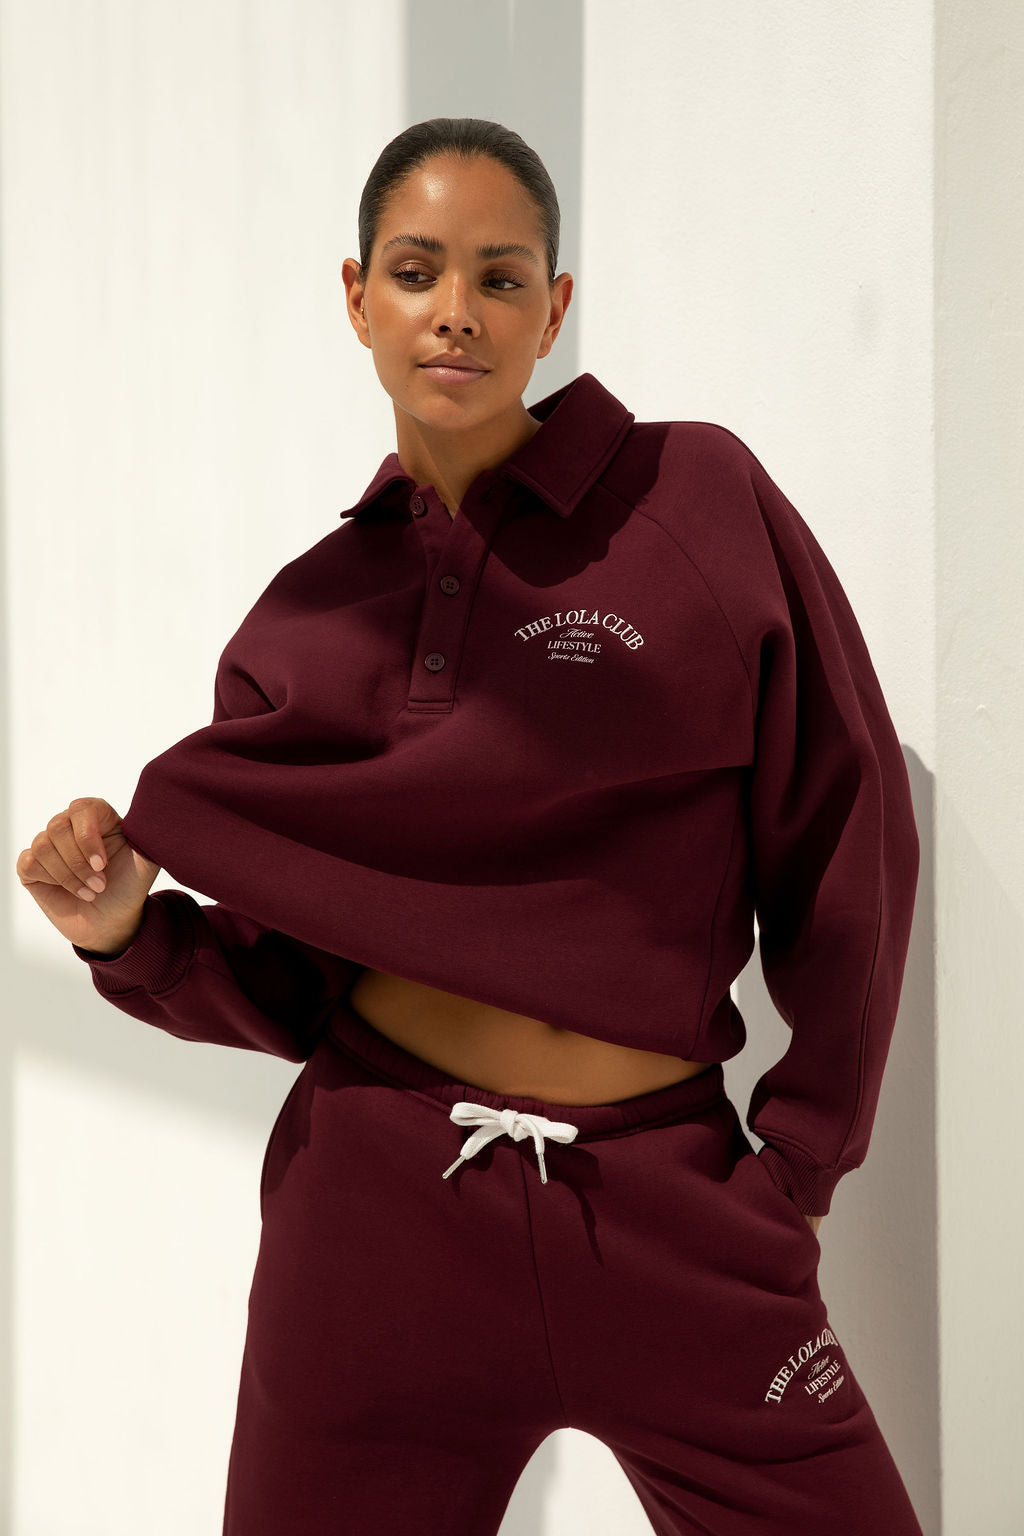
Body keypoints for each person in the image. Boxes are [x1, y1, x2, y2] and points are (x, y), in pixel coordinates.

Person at [17, 117, 924, 1535]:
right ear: (357, 296)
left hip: (670, 1202)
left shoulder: (697, 499)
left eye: (501, 278)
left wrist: (800, 1164)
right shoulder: (303, 624)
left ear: (553, 309)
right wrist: (127, 932)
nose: (458, 311)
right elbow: (292, 984)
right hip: (378, 1213)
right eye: (417, 270)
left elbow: (847, 822)